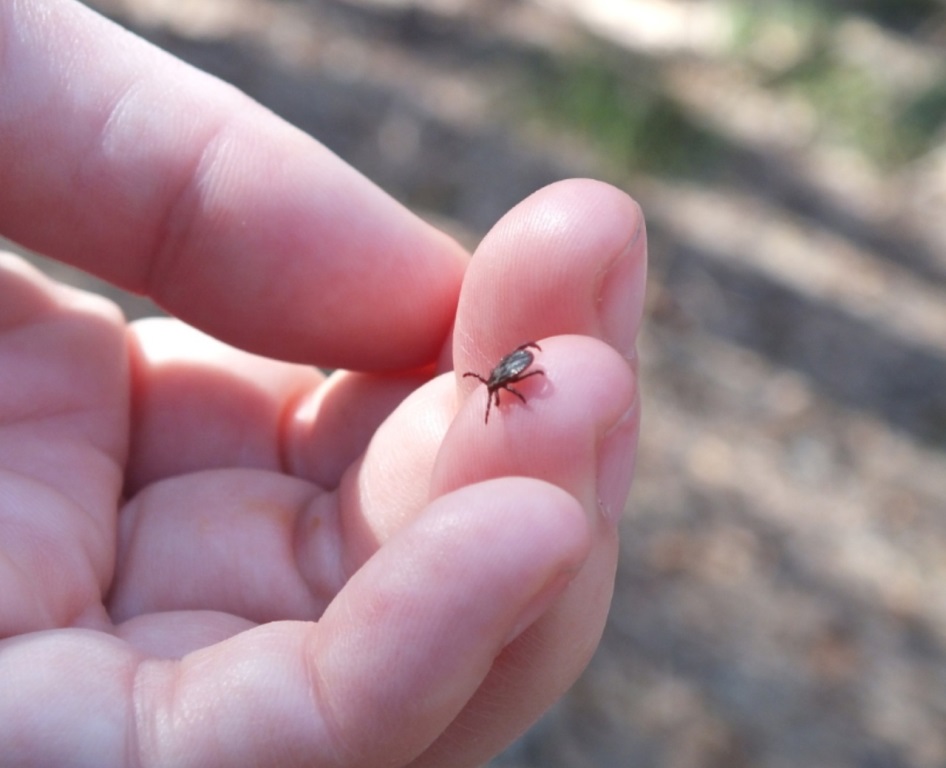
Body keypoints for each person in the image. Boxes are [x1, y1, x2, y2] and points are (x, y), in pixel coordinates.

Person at [0, 0, 646, 765]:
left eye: (502, 385)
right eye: (500, 386)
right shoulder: (505, 379)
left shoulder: (508, 375)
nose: (502, 386)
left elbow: (520, 369)